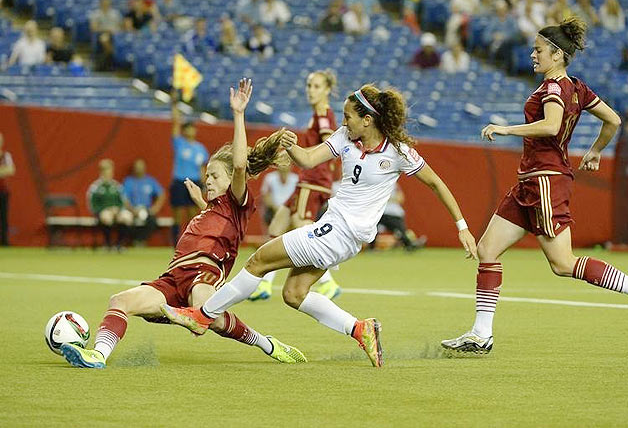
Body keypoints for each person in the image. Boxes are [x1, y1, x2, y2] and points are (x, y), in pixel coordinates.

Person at [160, 83, 478, 368]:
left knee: (258, 261)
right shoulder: (345, 138)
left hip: (337, 234)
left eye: (348, 116)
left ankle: (202, 315)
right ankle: (360, 329)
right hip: (337, 233)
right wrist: (288, 144)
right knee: (294, 293)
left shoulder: (397, 153)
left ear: (367, 120)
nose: (342, 122)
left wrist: (462, 226)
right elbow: (309, 159)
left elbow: (436, 183)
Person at [441, 17, 628, 355]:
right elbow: (614, 119)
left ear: (557, 54)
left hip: (546, 181)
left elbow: (552, 125)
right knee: (487, 250)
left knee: (562, 263)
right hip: (530, 182)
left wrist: (506, 130)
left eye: (538, 49)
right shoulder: (576, 86)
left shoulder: (555, 88)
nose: (533, 54)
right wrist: (596, 150)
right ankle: (481, 333)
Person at [60, 79, 307, 369]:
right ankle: (97, 356)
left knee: (206, 313)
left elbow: (239, 165)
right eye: (207, 178)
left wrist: (238, 114)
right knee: (120, 300)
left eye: (214, 176)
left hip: (203, 275)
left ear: (231, 180)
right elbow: (217, 224)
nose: (208, 181)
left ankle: (266, 343)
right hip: (172, 280)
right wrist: (201, 202)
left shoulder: (237, 201)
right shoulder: (212, 211)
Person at [250, 70, 342, 302]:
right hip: (307, 180)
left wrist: (298, 154)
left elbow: (329, 145)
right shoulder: (318, 113)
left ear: (328, 90)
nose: (311, 90)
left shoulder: (322, 114)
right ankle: (264, 284)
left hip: (313, 181)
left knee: (305, 232)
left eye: (317, 86)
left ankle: (328, 281)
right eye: (309, 85)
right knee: (277, 225)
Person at [169, 92, 209, 245]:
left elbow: (202, 169)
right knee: (177, 214)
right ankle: (175, 243)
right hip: (180, 182)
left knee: (194, 214)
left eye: (193, 128)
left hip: (195, 182)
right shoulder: (179, 143)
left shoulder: (200, 149)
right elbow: (175, 123)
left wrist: (204, 184)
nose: (191, 131)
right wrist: (174, 105)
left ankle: (193, 241)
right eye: (188, 128)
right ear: (184, 131)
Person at [86, 159, 133, 249]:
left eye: (110, 170)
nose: (109, 173)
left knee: (127, 216)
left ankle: (119, 244)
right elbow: (92, 204)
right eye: (106, 171)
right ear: (101, 172)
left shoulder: (116, 186)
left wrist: (118, 209)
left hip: (117, 211)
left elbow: (122, 201)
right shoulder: (95, 187)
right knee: (107, 217)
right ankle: (107, 243)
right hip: (103, 212)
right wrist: (103, 210)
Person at [368, 184, 426, 251]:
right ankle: (409, 244)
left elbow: (400, 198)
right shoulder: (377, 183)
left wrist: (387, 198)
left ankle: (409, 244)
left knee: (400, 231)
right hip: (382, 212)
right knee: (373, 230)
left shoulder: (394, 184)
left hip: (392, 212)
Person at [122, 158, 166, 245]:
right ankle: (133, 240)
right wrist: (131, 210)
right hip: (132, 210)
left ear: (144, 168)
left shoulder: (150, 181)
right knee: (125, 221)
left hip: (146, 209)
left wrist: (155, 208)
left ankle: (141, 240)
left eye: (141, 167)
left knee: (152, 221)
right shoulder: (128, 181)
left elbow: (161, 194)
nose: (139, 169)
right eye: (137, 167)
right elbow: (124, 198)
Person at [260, 165, 298, 232]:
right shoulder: (270, 178)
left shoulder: (296, 179)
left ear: (290, 167)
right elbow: (266, 197)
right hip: (273, 211)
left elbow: (297, 198)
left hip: (290, 211)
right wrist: (277, 209)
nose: (284, 168)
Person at [0, 133, 15, 246]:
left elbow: (10, 170)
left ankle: (4, 241)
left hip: (2, 190)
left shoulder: (5, 155)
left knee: (3, 217)